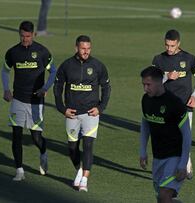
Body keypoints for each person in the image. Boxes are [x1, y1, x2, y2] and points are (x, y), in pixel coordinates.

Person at [53, 35, 111, 192]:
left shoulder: (98, 66)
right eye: (83, 48)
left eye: (88, 48)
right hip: (71, 113)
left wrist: (100, 107)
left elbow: (106, 87)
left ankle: (84, 179)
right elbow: (57, 87)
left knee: (88, 144)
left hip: (91, 113)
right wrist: (62, 108)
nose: (86, 51)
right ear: (76, 48)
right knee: (72, 148)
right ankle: (79, 169)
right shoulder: (66, 65)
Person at [1, 20, 56, 181]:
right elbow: (5, 71)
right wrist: (6, 89)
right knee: (16, 134)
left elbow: (53, 71)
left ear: (34, 35)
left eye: (28, 36)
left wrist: (45, 88)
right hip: (18, 99)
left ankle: (43, 153)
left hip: (36, 101)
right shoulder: (13, 52)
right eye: (22, 36)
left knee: (36, 137)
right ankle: (19, 170)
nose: (25, 39)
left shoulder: (42, 52)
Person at [152, 29, 195, 179]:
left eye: (172, 46)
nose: (169, 49)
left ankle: (186, 163)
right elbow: (153, 83)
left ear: (178, 43)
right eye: (167, 45)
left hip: (185, 105)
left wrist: (194, 96)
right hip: (165, 106)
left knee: (185, 136)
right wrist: (167, 77)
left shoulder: (189, 59)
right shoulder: (158, 60)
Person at [139, 66, 191, 203]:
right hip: (157, 157)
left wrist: (183, 163)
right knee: (161, 198)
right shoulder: (146, 100)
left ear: (159, 82)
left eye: (148, 85)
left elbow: (187, 134)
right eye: (143, 85)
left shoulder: (174, 103)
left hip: (174, 157)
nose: (145, 88)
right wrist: (142, 151)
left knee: (164, 195)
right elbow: (145, 126)